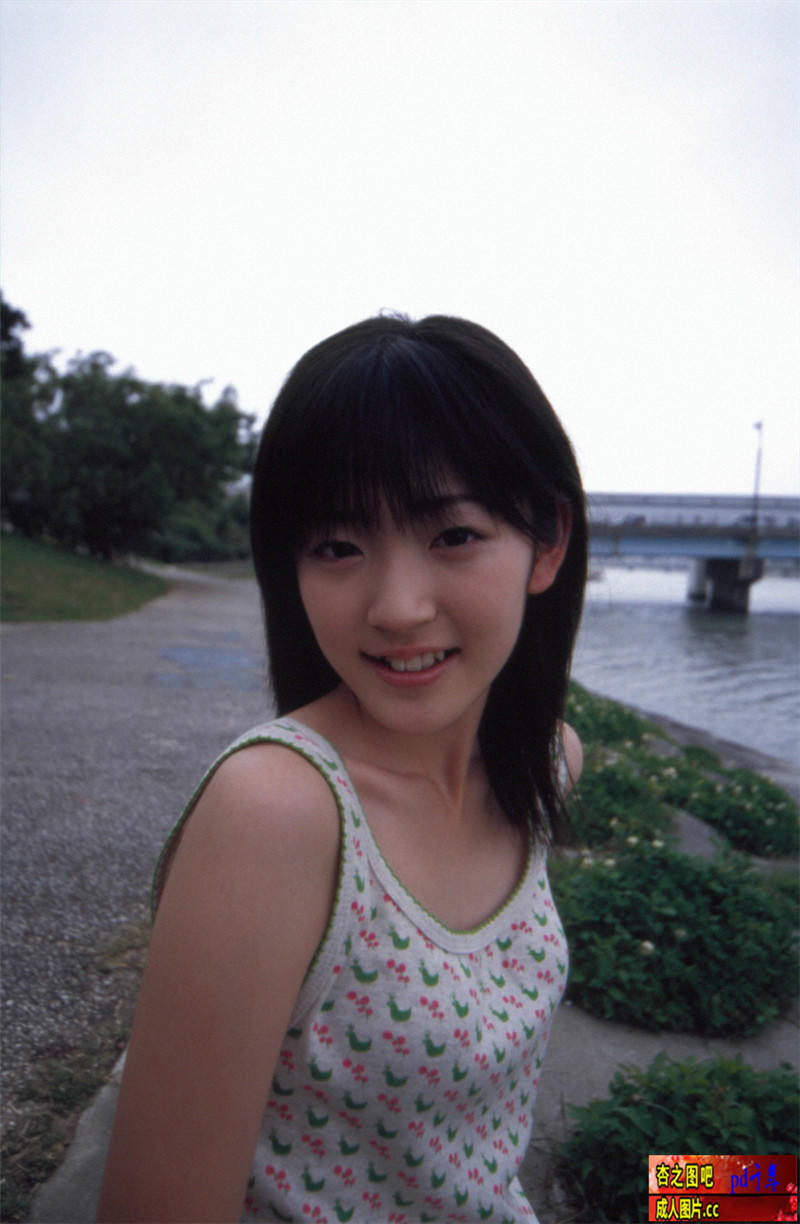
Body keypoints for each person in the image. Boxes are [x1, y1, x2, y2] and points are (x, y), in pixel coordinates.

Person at [97, 313, 587, 1224]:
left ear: (547, 543)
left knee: (755, 1197)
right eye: (337, 547)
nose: (397, 608)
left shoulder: (545, 762)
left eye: (453, 535)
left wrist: (740, 1193)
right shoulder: (277, 814)